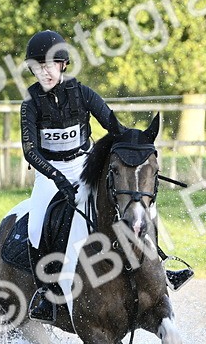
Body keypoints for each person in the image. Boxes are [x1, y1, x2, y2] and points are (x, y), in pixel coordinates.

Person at [19, 30, 193, 322]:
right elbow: (30, 151)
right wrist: (57, 179)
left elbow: (115, 128)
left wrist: (138, 147)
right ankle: (46, 297)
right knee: (37, 226)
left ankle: (161, 265)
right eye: (37, 66)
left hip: (85, 167)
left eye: (50, 64)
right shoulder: (31, 104)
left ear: (62, 65)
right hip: (48, 175)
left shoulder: (83, 94)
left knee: (137, 205)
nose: (44, 71)